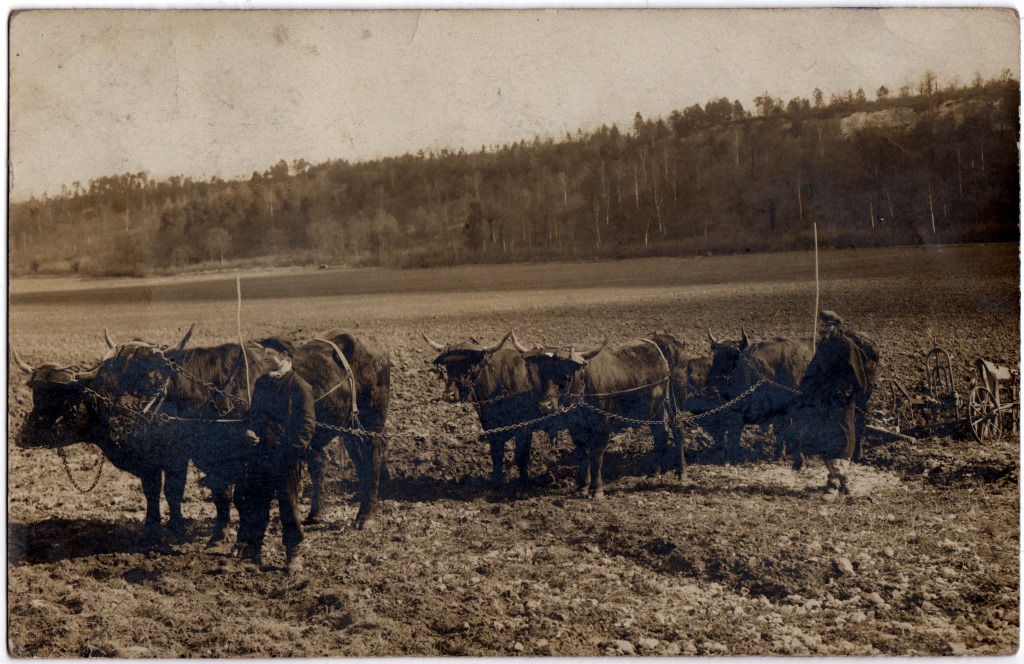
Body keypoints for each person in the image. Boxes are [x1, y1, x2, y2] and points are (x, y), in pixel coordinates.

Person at [235, 337, 316, 573]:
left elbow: (307, 426)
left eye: (270, 353)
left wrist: (289, 452)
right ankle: (253, 555)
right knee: (256, 504)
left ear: (285, 357)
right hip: (260, 456)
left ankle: (294, 555)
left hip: (286, 459)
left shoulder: (300, 387)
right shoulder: (261, 384)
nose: (265, 357)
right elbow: (253, 417)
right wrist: (248, 431)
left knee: (288, 506)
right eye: (265, 354)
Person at [793, 310, 879, 499]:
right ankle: (840, 481)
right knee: (827, 438)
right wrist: (806, 388)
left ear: (836, 327)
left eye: (827, 326)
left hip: (842, 401)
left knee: (844, 439)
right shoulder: (823, 347)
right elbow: (814, 371)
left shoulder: (846, 346)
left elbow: (858, 376)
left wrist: (848, 392)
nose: (823, 330)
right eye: (821, 326)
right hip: (825, 401)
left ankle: (834, 483)